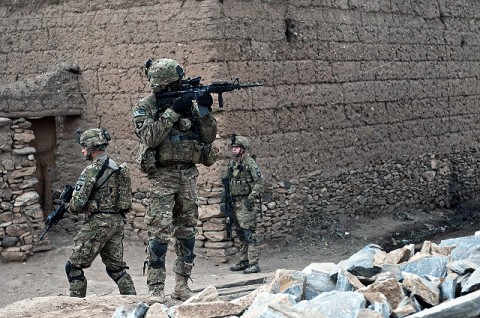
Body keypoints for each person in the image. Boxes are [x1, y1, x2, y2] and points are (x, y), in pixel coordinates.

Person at [132, 58, 218, 301]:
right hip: (162, 176)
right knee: (159, 233)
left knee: (187, 230)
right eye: (177, 83)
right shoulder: (145, 107)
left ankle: (181, 285)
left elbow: (208, 136)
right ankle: (156, 289)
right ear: (165, 85)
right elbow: (149, 137)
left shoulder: (188, 105)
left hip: (188, 174)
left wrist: (204, 110)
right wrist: (173, 112)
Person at [65, 128, 136, 297]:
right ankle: (134, 303)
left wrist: (70, 205)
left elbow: (77, 204)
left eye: (83, 147)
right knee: (116, 269)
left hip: (99, 223)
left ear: (91, 147)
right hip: (116, 222)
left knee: (73, 267)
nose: (82, 151)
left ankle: (75, 307)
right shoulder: (117, 167)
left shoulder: (91, 170)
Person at [225, 134, 265, 274]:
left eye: (237, 147)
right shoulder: (233, 163)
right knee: (240, 234)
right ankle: (244, 261)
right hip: (234, 202)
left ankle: (254, 263)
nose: (234, 150)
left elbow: (260, 181)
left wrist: (251, 197)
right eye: (233, 147)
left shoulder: (249, 163)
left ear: (243, 149)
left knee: (249, 234)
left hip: (245, 202)